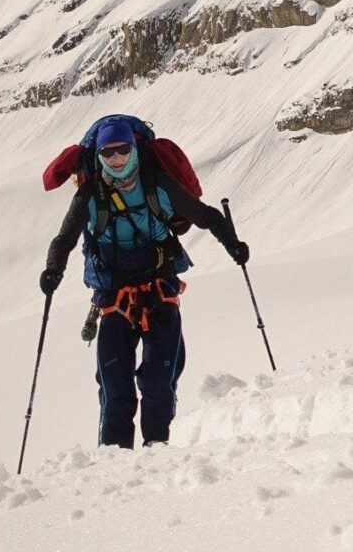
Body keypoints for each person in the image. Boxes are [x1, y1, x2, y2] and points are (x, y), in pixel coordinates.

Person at [40, 117, 249, 448]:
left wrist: (233, 243)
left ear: (134, 149)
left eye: (123, 150)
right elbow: (63, 240)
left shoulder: (158, 185)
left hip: (159, 292)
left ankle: (159, 455)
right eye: (108, 153)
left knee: (157, 381)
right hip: (113, 299)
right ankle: (113, 464)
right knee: (115, 388)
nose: (117, 158)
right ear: (98, 156)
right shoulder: (89, 196)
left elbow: (205, 216)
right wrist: (53, 269)